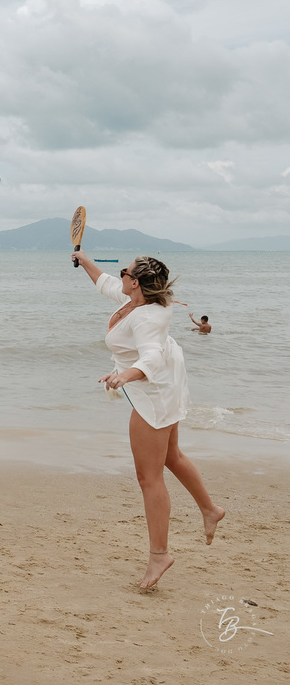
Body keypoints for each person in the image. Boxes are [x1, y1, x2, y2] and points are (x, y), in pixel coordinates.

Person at [72, 252, 224, 590]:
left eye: (124, 271)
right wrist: (84, 261)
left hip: (154, 388)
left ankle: (160, 555)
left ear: (136, 283)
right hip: (164, 380)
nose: (119, 274)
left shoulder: (147, 319)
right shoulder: (135, 300)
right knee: (171, 456)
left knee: (148, 477)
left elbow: (151, 356)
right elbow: (106, 284)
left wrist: (125, 374)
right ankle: (210, 509)